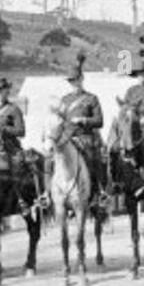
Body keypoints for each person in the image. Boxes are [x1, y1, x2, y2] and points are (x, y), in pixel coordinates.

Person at [46, 63, 110, 207]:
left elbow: (99, 121)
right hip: (66, 138)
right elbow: (59, 121)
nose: (74, 83)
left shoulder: (91, 99)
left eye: (75, 79)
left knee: (94, 161)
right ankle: (48, 194)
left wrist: (84, 120)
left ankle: (100, 192)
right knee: (50, 161)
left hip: (85, 138)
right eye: (71, 81)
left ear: (82, 79)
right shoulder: (64, 100)